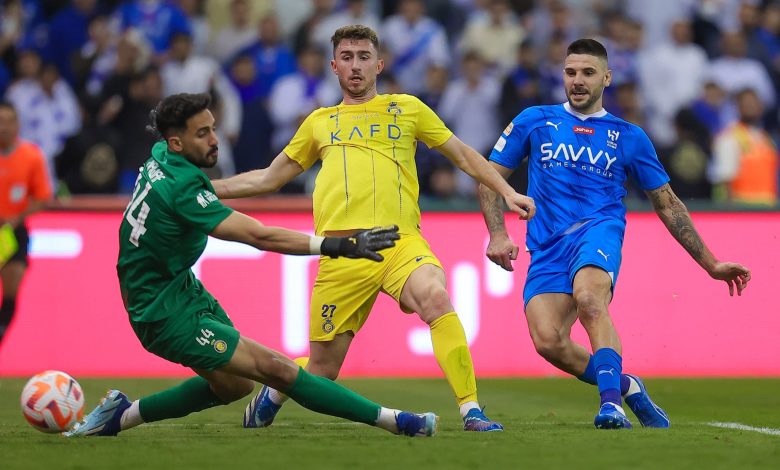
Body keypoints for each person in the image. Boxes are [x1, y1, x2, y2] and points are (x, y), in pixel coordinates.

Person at [212, 24, 536, 432]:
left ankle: (471, 410)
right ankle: (276, 389)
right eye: (346, 57)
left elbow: (463, 155)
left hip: (400, 241)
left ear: (379, 64)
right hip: (342, 249)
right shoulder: (319, 122)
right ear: (333, 66)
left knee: (436, 298)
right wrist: (208, 187)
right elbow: (267, 180)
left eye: (363, 57)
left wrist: (507, 191)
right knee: (323, 370)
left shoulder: (409, 109)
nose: (355, 65)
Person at [64, 93, 438, 438]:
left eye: (213, 127)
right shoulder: (181, 189)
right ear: (177, 142)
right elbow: (260, 237)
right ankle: (395, 421)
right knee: (276, 369)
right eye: (203, 133)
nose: (215, 139)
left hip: (177, 287)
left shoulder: (162, 153)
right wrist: (339, 244)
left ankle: (121, 416)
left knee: (235, 385)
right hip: (160, 311)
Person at [478, 39, 752, 430]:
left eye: (588, 72)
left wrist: (711, 263)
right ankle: (626, 385)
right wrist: (497, 233)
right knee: (548, 341)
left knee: (590, 298)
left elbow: (668, 203)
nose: (577, 80)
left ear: (606, 78)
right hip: (547, 245)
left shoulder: (629, 136)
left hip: (598, 231)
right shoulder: (533, 120)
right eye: (571, 72)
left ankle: (611, 406)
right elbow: (489, 178)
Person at [0, 101, 52, 344]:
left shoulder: (31, 156)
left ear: (18, 124)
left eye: (9, 121)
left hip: (12, 232)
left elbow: (42, 197)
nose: (4, 127)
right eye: (1, 121)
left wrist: (18, 217)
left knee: (11, 290)